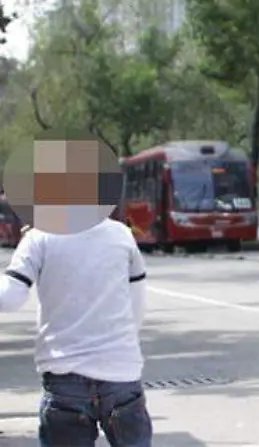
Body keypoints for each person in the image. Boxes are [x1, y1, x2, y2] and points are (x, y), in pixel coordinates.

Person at [0, 135, 152, 446]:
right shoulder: (121, 235)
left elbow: (9, 298)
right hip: (122, 376)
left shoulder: (38, 238)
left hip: (65, 381)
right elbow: (137, 303)